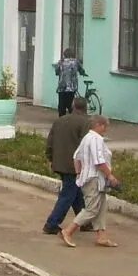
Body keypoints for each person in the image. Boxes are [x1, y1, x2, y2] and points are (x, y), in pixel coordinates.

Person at [60, 115, 119, 248]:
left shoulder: (86, 138)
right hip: (94, 178)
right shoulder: (96, 139)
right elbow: (99, 162)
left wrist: (79, 173)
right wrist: (110, 176)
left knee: (101, 206)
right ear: (99, 125)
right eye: (105, 126)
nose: (106, 129)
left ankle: (101, 236)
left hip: (91, 178)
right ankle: (68, 230)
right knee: (92, 209)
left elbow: (76, 157)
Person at [42, 97, 92, 234]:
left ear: (73, 106)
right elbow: (86, 146)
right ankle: (51, 224)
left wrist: (50, 158)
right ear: (85, 108)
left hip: (60, 163)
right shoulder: (86, 123)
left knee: (76, 194)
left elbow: (50, 141)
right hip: (75, 166)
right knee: (68, 195)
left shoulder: (60, 120)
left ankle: (85, 222)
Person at [53, 48, 86, 117]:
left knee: (62, 105)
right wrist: (82, 73)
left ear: (64, 54)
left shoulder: (61, 62)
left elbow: (56, 72)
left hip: (62, 87)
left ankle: (62, 119)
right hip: (72, 87)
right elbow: (81, 70)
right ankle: (72, 118)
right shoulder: (76, 62)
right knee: (70, 104)